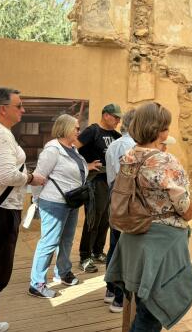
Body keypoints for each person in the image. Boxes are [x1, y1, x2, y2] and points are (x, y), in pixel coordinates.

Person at [105, 102, 192, 332]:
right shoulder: (163, 160)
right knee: (151, 312)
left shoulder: (129, 155)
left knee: (141, 302)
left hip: (134, 237)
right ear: (159, 130)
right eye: (166, 126)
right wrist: (191, 211)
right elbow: (182, 202)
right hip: (161, 242)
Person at [0, 88, 46, 332]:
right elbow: (7, 175)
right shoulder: (0, 134)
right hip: (0, 212)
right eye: (19, 105)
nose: (23, 110)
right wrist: (32, 177)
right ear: (3, 109)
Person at [28, 114, 98, 299]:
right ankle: (37, 284)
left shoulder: (72, 148)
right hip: (53, 203)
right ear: (65, 128)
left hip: (71, 201)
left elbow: (75, 170)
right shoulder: (52, 150)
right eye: (76, 127)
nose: (79, 130)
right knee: (49, 242)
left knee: (66, 240)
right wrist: (38, 201)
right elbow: (37, 178)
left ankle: (63, 272)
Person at [76, 103, 121, 272]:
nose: (118, 120)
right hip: (95, 181)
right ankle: (84, 256)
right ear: (105, 115)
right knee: (93, 218)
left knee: (106, 219)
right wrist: (85, 165)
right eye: (115, 117)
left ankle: (97, 251)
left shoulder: (116, 136)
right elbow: (73, 148)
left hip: (109, 181)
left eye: (119, 118)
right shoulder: (92, 131)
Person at [103, 108, 136, 313]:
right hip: (125, 200)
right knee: (124, 247)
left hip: (113, 196)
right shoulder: (132, 146)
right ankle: (118, 297)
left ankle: (110, 289)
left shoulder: (114, 144)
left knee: (115, 243)